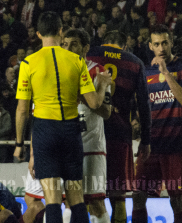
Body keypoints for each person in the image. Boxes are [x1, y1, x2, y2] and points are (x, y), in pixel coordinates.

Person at [13, 11, 111, 223]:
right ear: (60, 31)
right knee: (76, 198)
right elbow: (94, 103)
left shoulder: (28, 63)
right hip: (70, 131)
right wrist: (102, 85)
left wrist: (19, 143)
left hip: (44, 132)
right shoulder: (76, 61)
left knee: (52, 200)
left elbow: (22, 110)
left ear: (38, 34)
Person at [131, 25, 182, 223]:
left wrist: (166, 73)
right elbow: (139, 106)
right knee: (138, 196)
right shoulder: (145, 71)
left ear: (171, 43)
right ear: (150, 46)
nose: (161, 48)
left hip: (177, 146)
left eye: (165, 43)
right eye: (157, 44)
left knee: (176, 200)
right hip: (151, 146)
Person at [87, 30, 151, 223]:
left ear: (105, 41)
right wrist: (145, 141)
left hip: (92, 134)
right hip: (120, 135)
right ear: (125, 45)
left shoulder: (90, 55)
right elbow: (144, 105)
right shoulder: (134, 62)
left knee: (87, 196)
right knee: (119, 197)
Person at [62, 29, 112, 223]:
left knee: (96, 203)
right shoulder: (59, 71)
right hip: (65, 145)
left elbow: (106, 112)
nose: (68, 48)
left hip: (92, 147)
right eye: (65, 44)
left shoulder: (99, 71)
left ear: (85, 48)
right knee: (67, 202)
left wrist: (96, 89)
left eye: (73, 44)